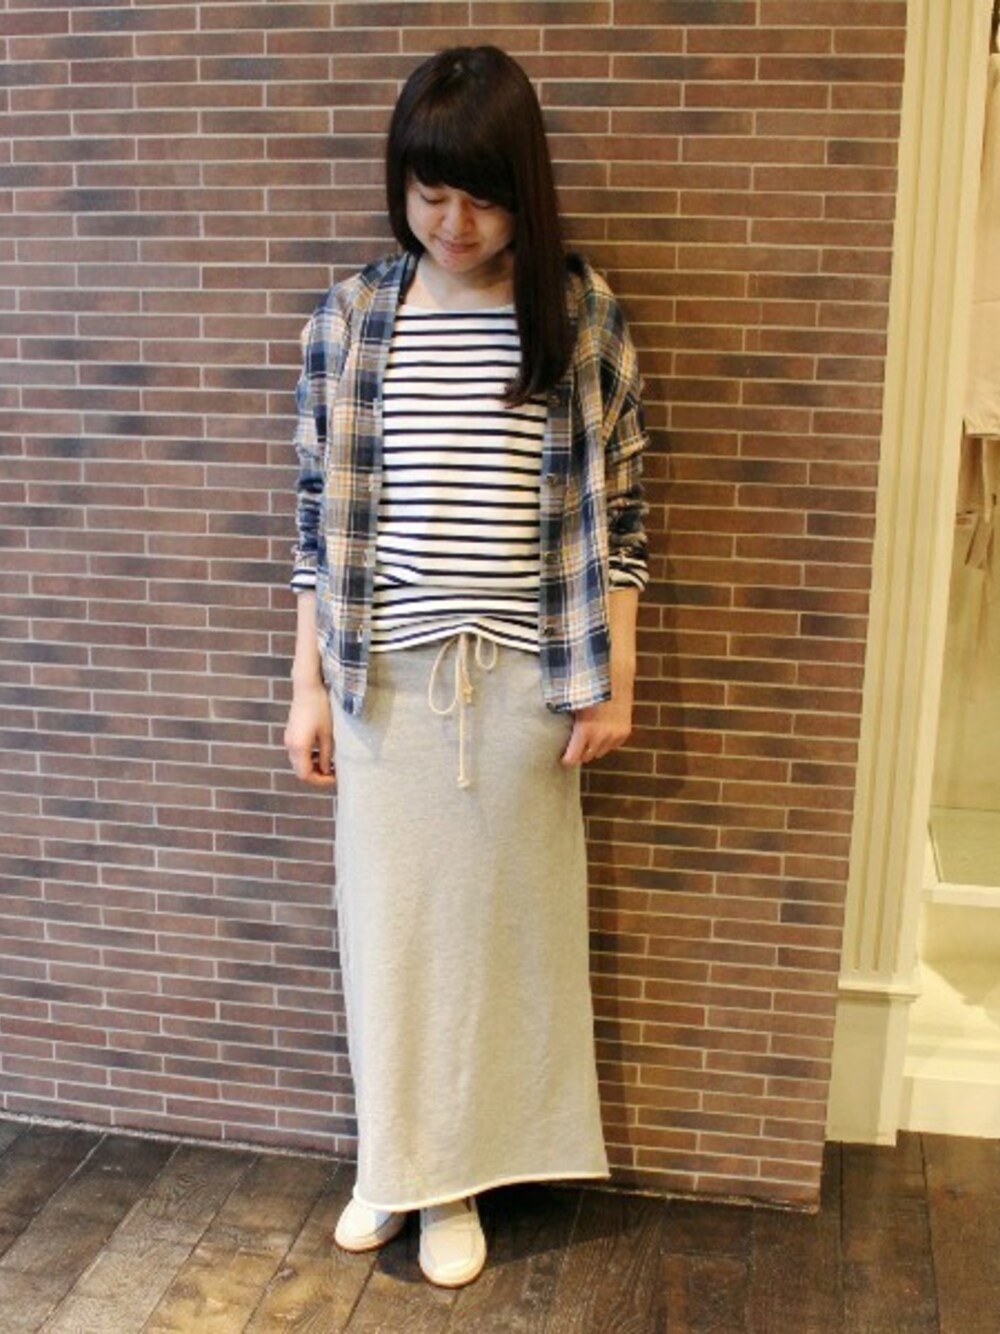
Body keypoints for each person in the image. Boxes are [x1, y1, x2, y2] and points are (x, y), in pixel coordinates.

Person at [284, 45, 649, 1289]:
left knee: (495, 944)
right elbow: (315, 519)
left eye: (480, 197)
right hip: (385, 681)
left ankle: (453, 1179)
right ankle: (396, 1164)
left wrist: (615, 680)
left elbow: (623, 519)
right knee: (388, 937)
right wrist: (306, 688)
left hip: (523, 687)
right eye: (428, 193)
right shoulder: (350, 319)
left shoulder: (577, 316)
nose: (452, 223)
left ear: (522, 190)